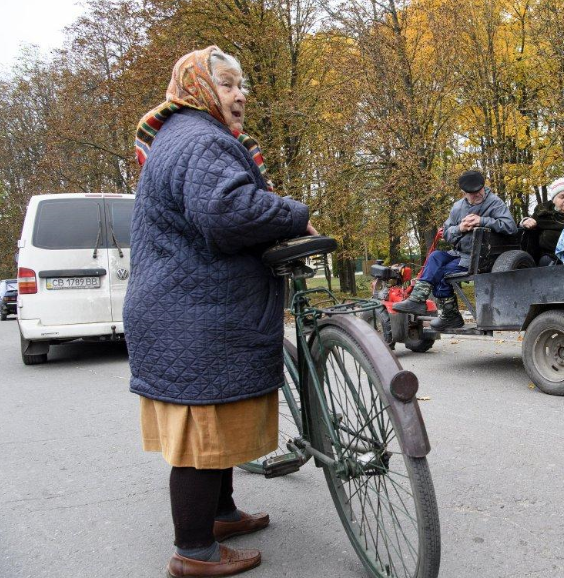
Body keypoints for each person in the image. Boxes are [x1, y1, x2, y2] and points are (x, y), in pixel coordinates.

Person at [126, 47, 317, 578]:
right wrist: (295, 211)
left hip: (189, 310)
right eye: (229, 85)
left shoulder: (183, 136)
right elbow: (229, 212)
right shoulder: (202, 138)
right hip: (193, 316)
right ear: (200, 89)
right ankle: (194, 551)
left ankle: (223, 515)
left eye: (242, 85)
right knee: (198, 436)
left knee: (213, 420)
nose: (240, 96)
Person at [393, 169, 516, 329]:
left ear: (483, 187)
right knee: (435, 257)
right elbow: (446, 233)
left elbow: (510, 227)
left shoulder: (495, 203)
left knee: (441, 273)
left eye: (479, 191)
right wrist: (460, 228)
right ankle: (418, 300)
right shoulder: (458, 207)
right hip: (459, 254)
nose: (477, 195)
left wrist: (483, 220)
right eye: (471, 193)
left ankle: (450, 316)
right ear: (464, 193)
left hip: (481, 257)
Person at [520, 177, 564, 265]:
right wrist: (524, 222)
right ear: (554, 200)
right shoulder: (542, 212)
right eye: (562, 197)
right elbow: (527, 223)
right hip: (550, 256)